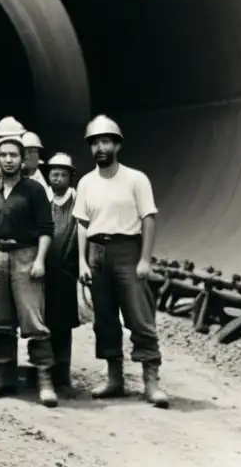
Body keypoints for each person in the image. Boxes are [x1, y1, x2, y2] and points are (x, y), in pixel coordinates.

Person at [74, 115, 169, 408]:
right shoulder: (87, 182)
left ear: (117, 144)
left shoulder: (136, 179)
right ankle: (115, 378)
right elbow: (82, 224)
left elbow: (148, 218)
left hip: (128, 250)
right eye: (94, 143)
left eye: (105, 141)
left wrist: (145, 259)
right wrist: (82, 262)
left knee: (140, 317)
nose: (100, 148)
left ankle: (150, 382)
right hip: (98, 254)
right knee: (104, 319)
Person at [0, 118, 58, 407]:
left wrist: (40, 260)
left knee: (33, 318)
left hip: (26, 255)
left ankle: (45, 382)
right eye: (3, 155)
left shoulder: (34, 190)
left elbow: (47, 229)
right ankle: (3, 377)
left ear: (23, 160)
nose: (8, 160)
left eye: (13, 155)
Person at [43, 152, 80, 391]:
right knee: (43, 321)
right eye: (54, 174)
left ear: (70, 177)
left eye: (62, 174)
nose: (57, 179)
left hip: (67, 271)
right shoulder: (42, 199)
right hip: (44, 271)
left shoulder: (77, 201)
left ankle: (63, 372)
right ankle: (45, 370)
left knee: (63, 323)